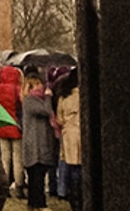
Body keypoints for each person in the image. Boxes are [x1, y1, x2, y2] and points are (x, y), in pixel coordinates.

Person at [19, 73, 57, 207]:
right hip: (35, 145)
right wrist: (48, 97)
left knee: (37, 176)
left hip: (39, 143)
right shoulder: (30, 100)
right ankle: (39, 203)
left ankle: (34, 202)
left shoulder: (33, 100)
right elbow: (46, 111)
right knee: (36, 176)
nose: (41, 86)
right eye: (38, 84)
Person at [51, 68, 82, 210]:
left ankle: (72, 198)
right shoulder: (83, 95)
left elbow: (59, 118)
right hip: (81, 134)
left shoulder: (63, 96)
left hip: (68, 135)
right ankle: (81, 196)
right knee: (80, 167)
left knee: (71, 166)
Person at [0, 64, 23, 196]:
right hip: (16, 126)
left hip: (2, 126)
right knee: (17, 157)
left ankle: (4, 184)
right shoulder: (18, 89)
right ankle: (18, 185)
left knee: (5, 157)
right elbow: (20, 107)